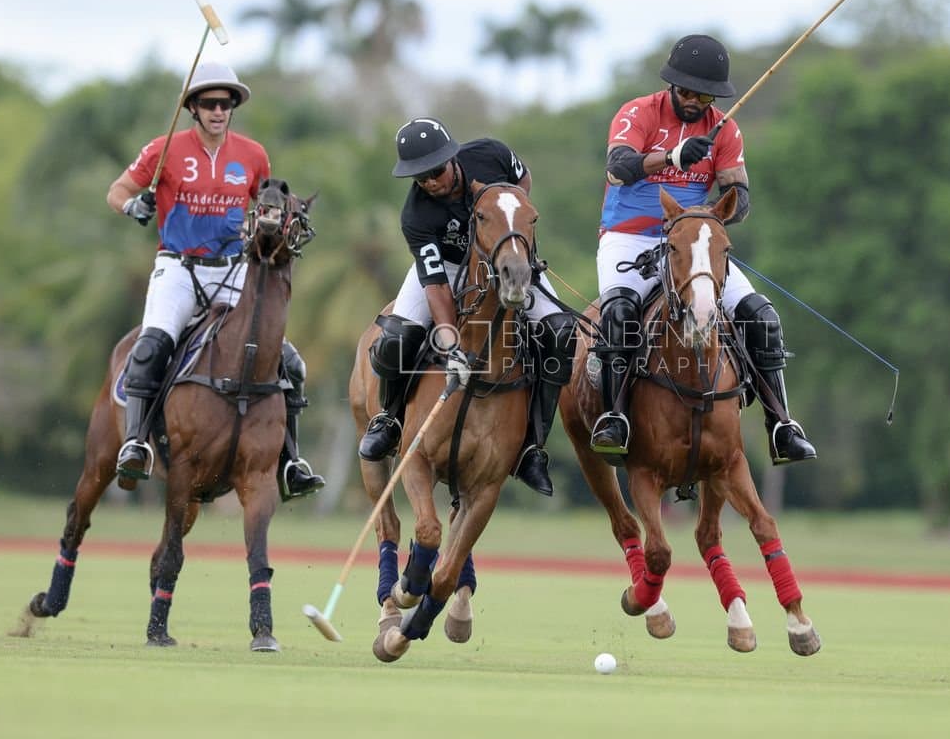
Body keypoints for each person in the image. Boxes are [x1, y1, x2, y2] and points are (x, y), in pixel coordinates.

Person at [590, 34, 816, 465]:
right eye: (687, 91)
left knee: (761, 316)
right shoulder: (637, 113)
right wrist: (671, 156)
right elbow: (618, 170)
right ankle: (615, 418)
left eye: (704, 94)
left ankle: (781, 425)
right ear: (672, 86)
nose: (694, 101)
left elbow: (741, 197)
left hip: (694, 241)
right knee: (619, 314)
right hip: (630, 236)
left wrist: (714, 214)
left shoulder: (725, 129)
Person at [107, 61, 324, 501]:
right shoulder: (163, 149)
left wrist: (275, 222)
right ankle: (136, 444)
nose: (218, 111)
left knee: (288, 361)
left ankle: (291, 461)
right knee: (150, 349)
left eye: (225, 103)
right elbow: (117, 191)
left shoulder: (253, 155)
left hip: (232, 270)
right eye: (209, 103)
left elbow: (267, 206)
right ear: (192, 108)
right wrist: (134, 208)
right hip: (178, 269)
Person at [357, 117, 577, 498]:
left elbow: (522, 189)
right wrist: (449, 340)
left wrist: (515, 235)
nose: (430, 182)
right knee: (395, 337)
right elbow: (436, 285)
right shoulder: (418, 215)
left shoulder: (492, 155)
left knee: (560, 331)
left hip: (505, 254)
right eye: (420, 177)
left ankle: (531, 446)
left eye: (436, 171)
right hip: (447, 265)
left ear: (452, 158)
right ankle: (389, 419)